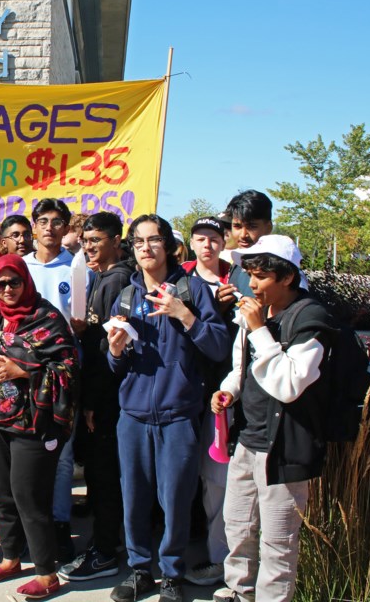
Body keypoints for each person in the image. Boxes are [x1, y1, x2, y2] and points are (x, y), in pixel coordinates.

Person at [106, 214, 231, 602]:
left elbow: (218, 346)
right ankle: (140, 570)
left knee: (175, 499)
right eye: (139, 242)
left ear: (170, 246)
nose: (146, 248)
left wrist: (185, 315)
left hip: (179, 414)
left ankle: (172, 573)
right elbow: (114, 363)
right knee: (134, 497)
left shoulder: (192, 290)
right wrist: (113, 351)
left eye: (154, 240)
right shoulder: (126, 296)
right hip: (133, 416)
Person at [210, 235, 329, 602]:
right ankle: (238, 592)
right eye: (249, 274)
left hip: (284, 450)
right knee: (238, 527)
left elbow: (290, 384)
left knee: (278, 544)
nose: (252, 284)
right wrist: (229, 390)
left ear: (287, 277)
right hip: (248, 438)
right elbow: (241, 366)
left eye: (260, 276)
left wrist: (260, 330)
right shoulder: (255, 313)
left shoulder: (311, 318)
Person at [0, 254, 77, 599]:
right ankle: (11, 558)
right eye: (1, 284)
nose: (8, 289)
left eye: (14, 282)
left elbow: (69, 370)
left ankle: (46, 574)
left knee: (29, 496)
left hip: (34, 423)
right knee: (2, 491)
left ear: (26, 282)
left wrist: (24, 371)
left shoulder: (48, 318)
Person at [58, 211, 134, 582]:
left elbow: (110, 349)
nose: (89, 247)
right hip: (99, 393)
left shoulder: (117, 280)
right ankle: (109, 541)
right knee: (101, 474)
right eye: (86, 240)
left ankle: (105, 550)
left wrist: (91, 403)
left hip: (107, 397)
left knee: (105, 475)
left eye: (97, 240)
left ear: (116, 241)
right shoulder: (98, 277)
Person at [23, 197, 87, 561]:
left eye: (57, 221)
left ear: (65, 227)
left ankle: (60, 523)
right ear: (34, 226)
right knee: (27, 451)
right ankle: (31, 523)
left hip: (63, 372)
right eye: (43, 221)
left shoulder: (78, 268)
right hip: (23, 372)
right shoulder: (20, 268)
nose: (50, 227)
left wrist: (81, 328)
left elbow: (85, 318)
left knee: (61, 453)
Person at [181, 216, 236, 587]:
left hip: (229, 393)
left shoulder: (241, 279)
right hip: (188, 393)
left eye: (214, 239)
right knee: (196, 477)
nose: (207, 246)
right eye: (200, 239)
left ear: (223, 242)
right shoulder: (181, 282)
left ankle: (224, 560)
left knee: (220, 477)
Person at [224, 190, 274, 298]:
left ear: (268, 227)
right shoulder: (237, 263)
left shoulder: (279, 268)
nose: (243, 235)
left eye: (252, 226)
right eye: (237, 226)